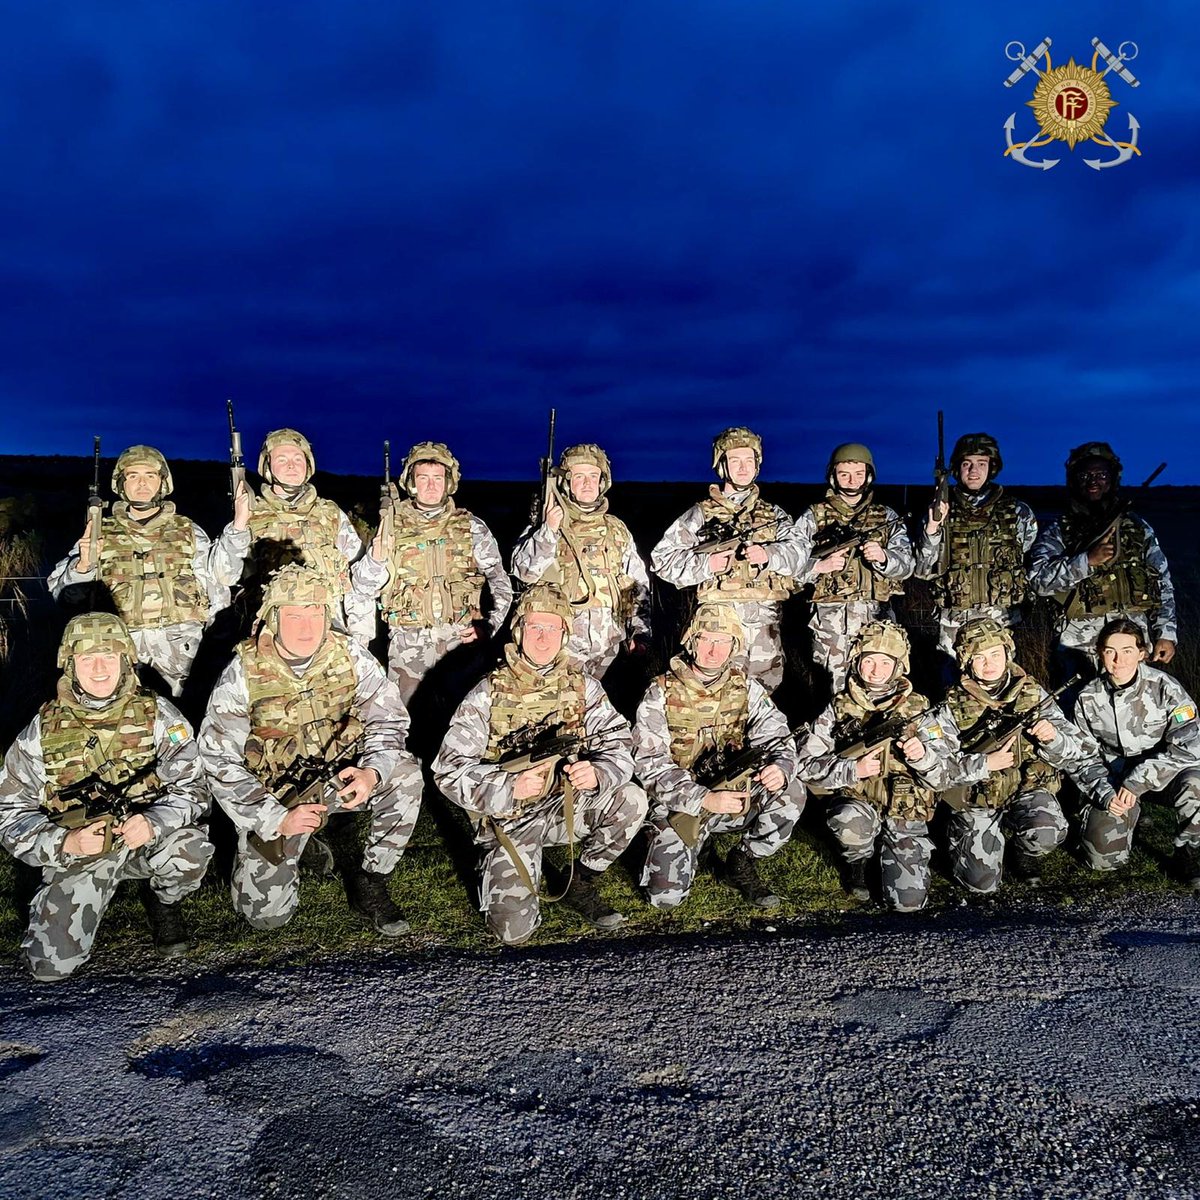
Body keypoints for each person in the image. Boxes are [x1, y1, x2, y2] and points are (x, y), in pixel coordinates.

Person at [199, 564, 423, 935]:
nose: (307, 627)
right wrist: (274, 819)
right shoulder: (243, 671)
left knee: (403, 774)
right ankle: (299, 842)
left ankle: (372, 878)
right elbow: (217, 760)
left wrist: (372, 772)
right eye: (294, 615)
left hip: (338, 777)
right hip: (278, 797)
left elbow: (389, 719)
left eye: (316, 613)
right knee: (266, 917)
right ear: (273, 619)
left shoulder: (348, 653)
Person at [0, 613, 213, 981]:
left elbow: (195, 786)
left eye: (108, 657)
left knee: (190, 850)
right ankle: (72, 890)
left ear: (125, 660)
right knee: (50, 969)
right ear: (70, 664)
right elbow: (9, 812)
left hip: (143, 837)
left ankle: (163, 901)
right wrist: (65, 841)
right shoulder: (42, 730)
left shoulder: (158, 714)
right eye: (87, 659)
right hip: (84, 848)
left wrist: (154, 821)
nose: (99, 669)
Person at [432, 583, 648, 945]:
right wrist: (507, 787)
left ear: (565, 633)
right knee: (513, 933)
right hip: (511, 816)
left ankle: (581, 879)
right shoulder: (489, 692)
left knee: (631, 799)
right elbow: (447, 771)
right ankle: (499, 862)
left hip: (567, 805)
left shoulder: (584, 687)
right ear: (519, 631)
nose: (543, 638)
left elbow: (620, 743)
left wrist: (598, 772)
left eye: (553, 627)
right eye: (535, 627)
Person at [633, 603, 805, 910]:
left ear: (734, 646)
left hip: (734, 794)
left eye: (723, 641)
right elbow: (649, 765)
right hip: (679, 800)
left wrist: (780, 767)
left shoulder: (747, 688)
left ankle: (743, 860)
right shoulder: (659, 692)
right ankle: (666, 840)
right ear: (693, 641)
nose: (714, 650)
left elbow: (778, 735)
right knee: (665, 898)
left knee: (791, 790)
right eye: (707, 639)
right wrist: (703, 799)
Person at [48, 445, 250, 695]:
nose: (141, 483)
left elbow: (223, 577)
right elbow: (63, 597)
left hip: (185, 656)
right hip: (121, 658)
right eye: (133, 476)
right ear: (120, 484)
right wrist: (84, 565)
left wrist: (239, 525)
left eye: (150, 476)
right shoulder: (100, 532)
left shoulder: (187, 530)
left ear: (163, 482)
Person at [936, 618, 1107, 893]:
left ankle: (1023, 851)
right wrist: (984, 763)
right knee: (981, 884)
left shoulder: (1033, 694)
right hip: (979, 796)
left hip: (1026, 788)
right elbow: (935, 769)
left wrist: (1053, 738)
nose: (989, 663)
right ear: (966, 662)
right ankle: (963, 835)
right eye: (979, 657)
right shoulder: (952, 705)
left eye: (995, 654)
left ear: (1007, 653)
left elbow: (1079, 749)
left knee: (1048, 830)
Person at [796, 621, 956, 911]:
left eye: (885, 662)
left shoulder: (921, 709)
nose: (876, 670)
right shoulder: (838, 707)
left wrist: (922, 756)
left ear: (899, 665)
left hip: (905, 808)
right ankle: (856, 860)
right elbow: (806, 764)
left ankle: (896, 852)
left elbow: (946, 772)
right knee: (848, 821)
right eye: (868, 660)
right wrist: (851, 770)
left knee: (908, 903)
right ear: (857, 662)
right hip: (859, 802)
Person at [353, 441, 512, 704]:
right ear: (411, 482)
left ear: (449, 483)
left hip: (461, 644)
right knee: (404, 727)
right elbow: (363, 586)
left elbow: (500, 581)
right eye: (423, 478)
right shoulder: (391, 526)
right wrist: (377, 556)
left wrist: (489, 627)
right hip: (408, 648)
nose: (430, 485)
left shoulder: (471, 527)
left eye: (437, 478)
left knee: (463, 725)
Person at [651, 427, 806, 692]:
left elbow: (801, 553)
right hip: (717, 626)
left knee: (764, 695)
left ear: (758, 465)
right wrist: (705, 565)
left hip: (764, 627)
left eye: (749, 460)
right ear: (722, 465)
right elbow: (662, 561)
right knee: (714, 695)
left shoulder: (774, 515)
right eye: (735, 460)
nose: (743, 468)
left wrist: (769, 554)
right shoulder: (701, 514)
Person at [1073, 618, 1200, 890]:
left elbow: (1190, 744)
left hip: (1163, 777)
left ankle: (1188, 853)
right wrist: (1104, 792)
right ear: (1099, 653)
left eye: (1127, 651)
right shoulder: (1087, 698)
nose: (1118, 660)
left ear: (1142, 653)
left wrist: (1140, 780)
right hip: (1115, 782)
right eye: (1110, 651)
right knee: (1103, 862)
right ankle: (1124, 818)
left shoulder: (1166, 688)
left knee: (1197, 782)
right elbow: (1082, 757)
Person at [1028, 442, 1176, 675]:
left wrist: (1166, 634)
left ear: (1113, 479)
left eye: (1101, 474)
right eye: (1085, 474)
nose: (1093, 480)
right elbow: (1038, 581)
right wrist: (1086, 561)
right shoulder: (1059, 531)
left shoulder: (1137, 528)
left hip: (1131, 647)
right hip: (1079, 648)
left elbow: (1163, 583)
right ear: (1074, 480)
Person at [511, 443, 650, 678]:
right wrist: (548, 530)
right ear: (566, 482)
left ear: (602, 482)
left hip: (611, 648)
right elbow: (523, 571)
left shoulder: (616, 529)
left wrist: (641, 632)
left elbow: (637, 585)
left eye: (593, 476)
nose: (587, 483)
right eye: (579, 476)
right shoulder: (548, 525)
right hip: (561, 647)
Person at [794, 443, 914, 692]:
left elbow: (907, 566)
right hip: (830, 624)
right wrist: (819, 566)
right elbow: (789, 565)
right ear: (833, 475)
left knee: (877, 685)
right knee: (829, 688)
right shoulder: (813, 516)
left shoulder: (886, 517)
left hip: (875, 619)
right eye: (844, 474)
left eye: (859, 473)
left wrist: (884, 558)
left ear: (869, 476)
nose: (851, 480)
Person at [244, 428, 376, 644]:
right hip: (268, 633)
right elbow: (226, 578)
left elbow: (358, 580)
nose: (291, 465)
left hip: (330, 630)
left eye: (298, 458)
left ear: (308, 464)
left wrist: (361, 636)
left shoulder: (330, 514)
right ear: (267, 466)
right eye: (282, 459)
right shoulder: (251, 513)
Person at [914, 433, 1038, 658]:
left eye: (982, 464)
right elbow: (923, 570)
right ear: (956, 468)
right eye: (966, 464)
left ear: (992, 467)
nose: (974, 470)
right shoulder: (938, 511)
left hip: (1003, 619)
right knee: (953, 685)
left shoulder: (1018, 512)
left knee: (1001, 683)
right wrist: (932, 528)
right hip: (955, 620)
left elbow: (1026, 555)